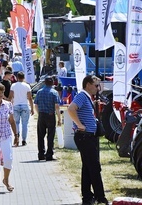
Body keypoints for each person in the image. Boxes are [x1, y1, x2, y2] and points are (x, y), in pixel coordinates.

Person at [67, 75, 109, 205]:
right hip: (85, 136)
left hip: (88, 136)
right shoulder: (81, 96)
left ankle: (87, 197)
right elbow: (70, 109)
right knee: (94, 167)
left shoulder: (86, 98)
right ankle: (100, 197)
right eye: (96, 85)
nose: (98, 88)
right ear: (88, 84)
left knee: (88, 167)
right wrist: (80, 125)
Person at [33, 76, 61, 161]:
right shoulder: (54, 92)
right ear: (52, 83)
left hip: (42, 115)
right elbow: (56, 106)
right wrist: (59, 118)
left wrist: (39, 114)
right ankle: (49, 155)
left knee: (40, 135)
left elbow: (36, 105)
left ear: (44, 82)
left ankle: (41, 154)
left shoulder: (39, 92)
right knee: (50, 135)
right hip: (50, 115)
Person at [9, 71, 34, 146]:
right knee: (25, 124)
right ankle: (24, 140)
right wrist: (32, 108)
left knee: (16, 123)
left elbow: (10, 97)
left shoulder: (13, 85)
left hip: (16, 105)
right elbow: (30, 98)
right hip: (24, 105)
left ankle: (17, 136)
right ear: (24, 78)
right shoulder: (27, 86)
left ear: (17, 77)